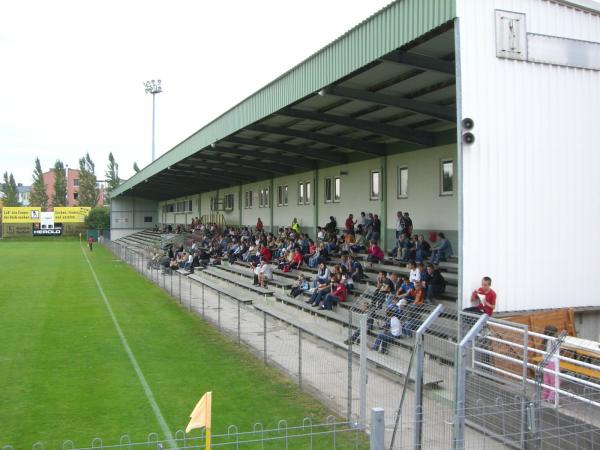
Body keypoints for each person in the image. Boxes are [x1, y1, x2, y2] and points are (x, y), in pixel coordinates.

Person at [542, 325, 560, 404]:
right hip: (553, 363)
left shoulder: (545, 340)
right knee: (556, 383)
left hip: (546, 362)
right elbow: (557, 347)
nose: (557, 334)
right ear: (553, 333)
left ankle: (544, 397)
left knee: (547, 381)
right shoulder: (553, 340)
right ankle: (551, 399)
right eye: (556, 333)